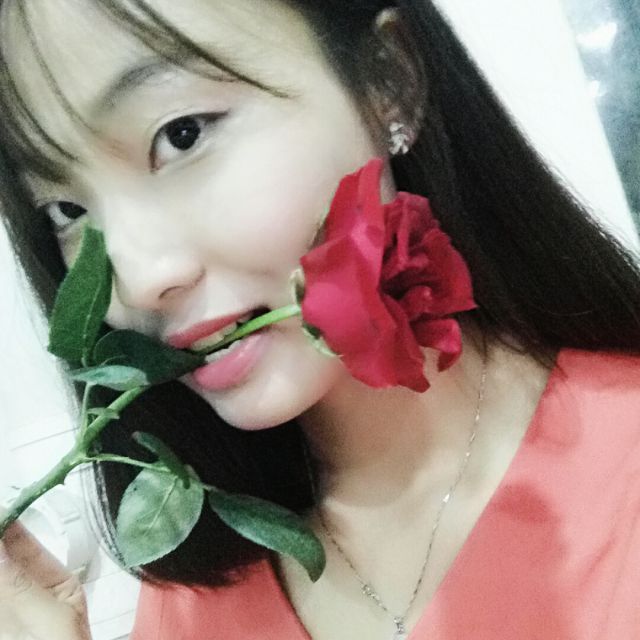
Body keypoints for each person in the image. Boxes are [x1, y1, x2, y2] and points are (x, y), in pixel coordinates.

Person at [0, 1, 639, 638]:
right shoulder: (193, 593)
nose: (135, 283)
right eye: (65, 211)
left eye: (183, 134)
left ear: (386, 82)